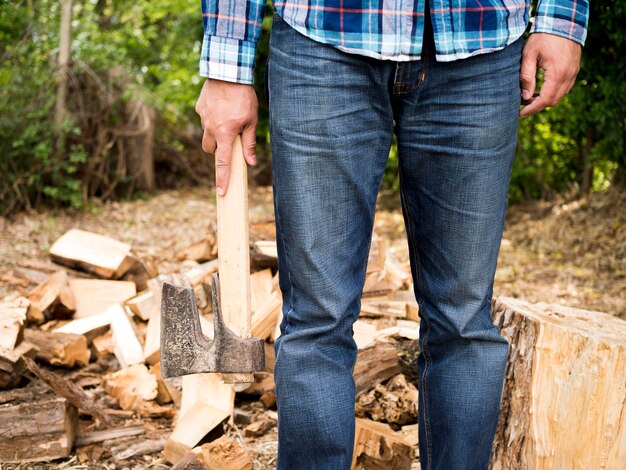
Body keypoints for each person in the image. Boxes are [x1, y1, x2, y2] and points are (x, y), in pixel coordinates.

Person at [194, 0, 588, 468]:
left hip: (479, 40)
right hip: (323, 37)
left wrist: (562, 18)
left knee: (463, 324)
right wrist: (226, 63)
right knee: (317, 321)